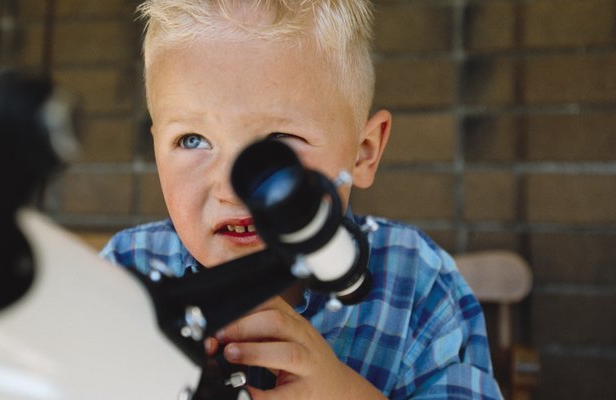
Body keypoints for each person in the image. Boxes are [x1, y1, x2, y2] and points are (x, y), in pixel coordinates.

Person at [100, 1, 502, 398]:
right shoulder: (123, 271)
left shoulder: (418, 282)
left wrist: (344, 394)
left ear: (363, 152)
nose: (230, 187)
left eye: (277, 144)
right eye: (192, 140)